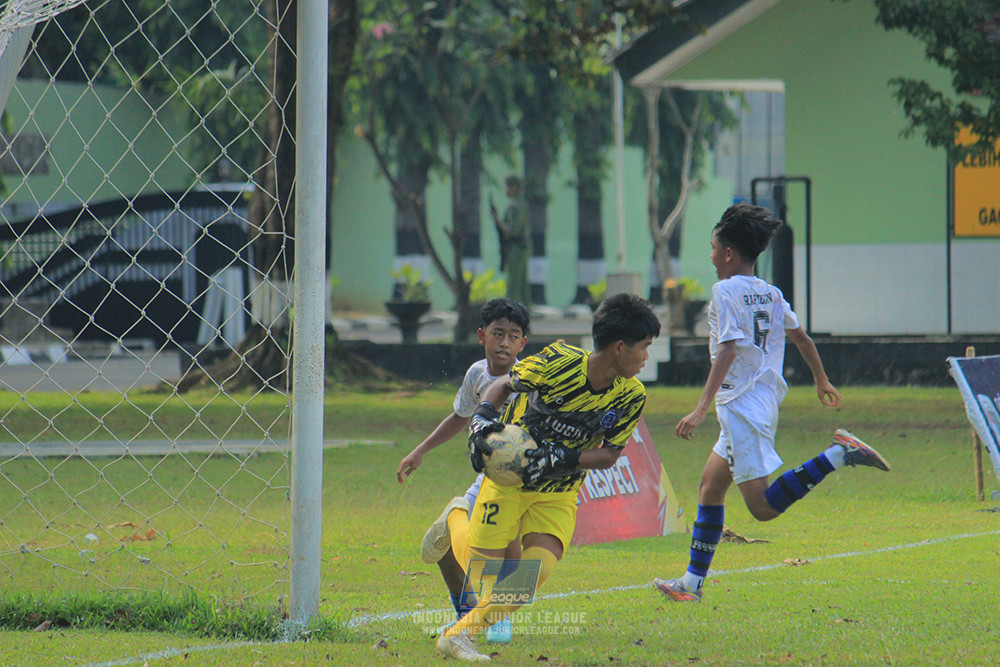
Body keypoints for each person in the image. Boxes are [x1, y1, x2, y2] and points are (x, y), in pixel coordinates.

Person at [653, 203, 890, 603]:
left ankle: (838, 454)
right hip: (759, 402)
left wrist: (699, 408)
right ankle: (691, 585)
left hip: (742, 407)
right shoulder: (770, 292)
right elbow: (803, 339)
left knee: (762, 509)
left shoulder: (725, 290)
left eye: (713, 248)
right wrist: (821, 378)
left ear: (728, 253)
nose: (711, 255)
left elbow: (728, 351)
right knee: (710, 487)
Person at [435, 292, 661, 661]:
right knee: (483, 570)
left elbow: (610, 454)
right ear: (620, 348)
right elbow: (506, 384)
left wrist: (562, 456)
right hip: (510, 478)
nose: (646, 356)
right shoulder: (559, 360)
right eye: (645, 347)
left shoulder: (631, 396)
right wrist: (484, 418)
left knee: (530, 578)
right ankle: (455, 518)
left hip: (558, 491)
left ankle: (459, 636)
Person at [396, 297, 530, 642]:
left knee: (509, 532)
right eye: (498, 334)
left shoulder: (531, 380)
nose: (505, 343)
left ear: (523, 343)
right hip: (487, 478)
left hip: (526, 480)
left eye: (513, 336)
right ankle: (468, 612)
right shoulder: (476, 374)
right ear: (481, 335)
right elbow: (460, 416)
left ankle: (499, 616)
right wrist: (420, 450)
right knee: (439, 546)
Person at [490, 175, 531, 307]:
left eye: (507, 187)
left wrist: (497, 220)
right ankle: (525, 317)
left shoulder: (514, 207)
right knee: (523, 286)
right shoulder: (522, 204)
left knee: (513, 285)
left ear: (513, 188)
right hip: (522, 247)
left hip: (516, 248)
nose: (505, 190)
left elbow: (512, 231)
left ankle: (513, 317)